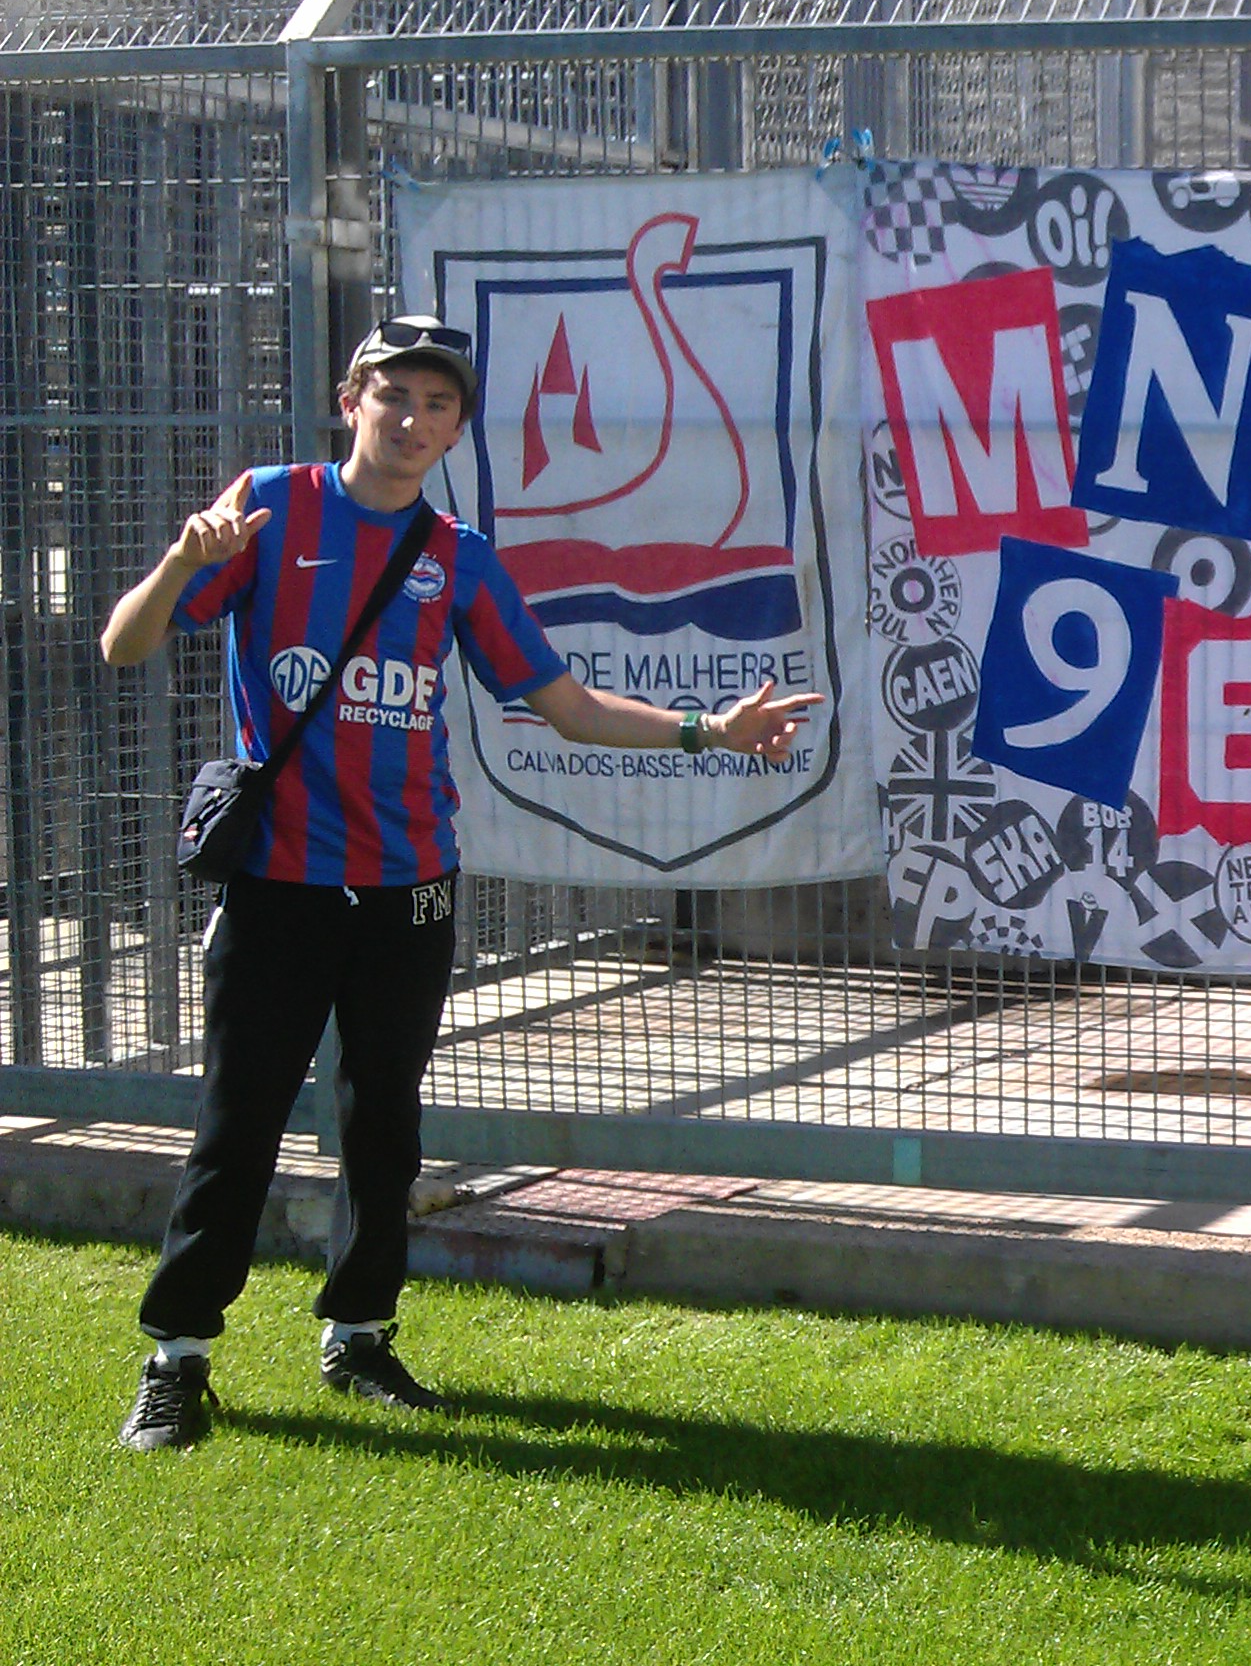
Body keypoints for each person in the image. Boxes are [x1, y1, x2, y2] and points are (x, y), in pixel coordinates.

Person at [99, 315, 823, 1452]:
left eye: (438, 405)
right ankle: (177, 1357)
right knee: (238, 1127)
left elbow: (566, 705)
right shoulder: (271, 508)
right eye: (395, 394)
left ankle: (359, 1335)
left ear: (455, 429)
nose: (413, 418)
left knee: (383, 1128)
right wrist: (186, 559)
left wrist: (710, 729)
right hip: (281, 884)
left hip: (410, 888)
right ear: (353, 401)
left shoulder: (457, 557)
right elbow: (123, 645)